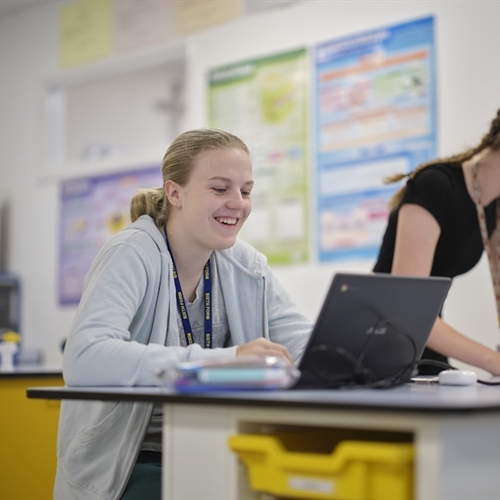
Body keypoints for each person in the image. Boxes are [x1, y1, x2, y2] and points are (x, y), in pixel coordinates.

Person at [54, 128, 312, 500]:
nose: (238, 203)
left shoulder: (245, 265)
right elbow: (83, 358)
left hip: (217, 446)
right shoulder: (133, 252)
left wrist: (368, 352)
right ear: (175, 193)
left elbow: (305, 345)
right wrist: (227, 360)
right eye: (220, 189)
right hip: (132, 460)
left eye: (246, 190)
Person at [374, 108, 500, 375]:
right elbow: (407, 310)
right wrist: (493, 361)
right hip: (383, 342)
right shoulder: (435, 186)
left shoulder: (493, 205)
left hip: (425, 341)